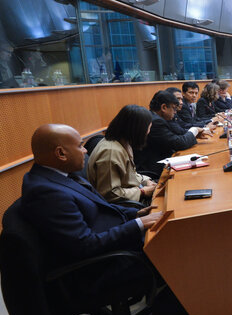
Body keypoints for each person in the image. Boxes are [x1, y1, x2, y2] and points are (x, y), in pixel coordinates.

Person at [21, 123, 164, 286]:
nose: (85, 151)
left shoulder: (61, 175)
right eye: (80, 146)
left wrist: (135, 214)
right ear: (61, 153)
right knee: (175, 251)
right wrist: (138, 224)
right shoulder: (46, 193)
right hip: (101, 268)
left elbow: (101, 207)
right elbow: (85, 246)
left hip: (115, 244)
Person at [87, 105, 157, 204]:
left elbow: (129, 175)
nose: (148, 132)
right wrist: (142, 192)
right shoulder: (111, 152)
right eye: (147, 128)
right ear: (137, 130)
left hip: (131, 195)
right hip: (123, 208)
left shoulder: (122, 142)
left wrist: (146, 181)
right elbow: (110, 194)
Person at [135, 90, 208, 178]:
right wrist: (194, 130)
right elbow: (179, 143)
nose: (175, 112)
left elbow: (176, 137)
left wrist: (194, 134)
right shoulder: (156, 122)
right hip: (153, 168)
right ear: (164, 107)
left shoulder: (157, 118)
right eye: (173, 108)